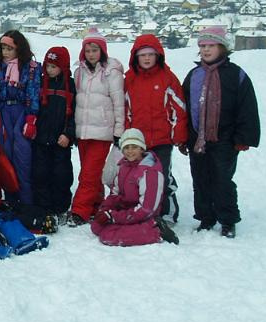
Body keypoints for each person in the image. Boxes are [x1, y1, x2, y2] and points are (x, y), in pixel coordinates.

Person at [180, 25, 260, 238]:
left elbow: (247, 107)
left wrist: (243, 138)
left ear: (222, 47)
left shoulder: (236, 75)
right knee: (200, 179)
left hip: (225, 139)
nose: (206, 50)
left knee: (222, 180)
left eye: (211, 45)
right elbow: (183, 107)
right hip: (197, 138)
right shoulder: (194, 75)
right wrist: (183, 137)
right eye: (203, 46)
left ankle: (228, 220)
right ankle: (206, 217)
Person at [124, 34, 187, 222]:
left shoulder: (168, 78)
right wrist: (126, 135)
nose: (147, 58)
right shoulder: (130, 79)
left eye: (150, 54)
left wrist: (178, 135)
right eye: (142, 55)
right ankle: (143, 211)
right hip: (138, 141)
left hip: (161, 139)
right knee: (138, 177)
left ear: (158, 55)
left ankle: (167, 214)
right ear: (136, 57)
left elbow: (179, 108)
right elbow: (125, 110)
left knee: (162, 176)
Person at [68, 26, 125, 226]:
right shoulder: (79, 72)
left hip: (102, 130)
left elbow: (119, 103)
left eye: (95, 50)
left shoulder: (112, 73)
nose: (91, 54)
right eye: (88, 50)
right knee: (91, 172)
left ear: (102, 51)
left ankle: (79, 211)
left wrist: (119, 130)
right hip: (83, 130)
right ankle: (96, 205)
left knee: (88, 174)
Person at [90, 129, 178, 247]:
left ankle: (157, 231)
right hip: (127, 211)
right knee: (97, 226)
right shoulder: (123, 166)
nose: (130, 151)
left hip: (144, 216)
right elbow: (115, 194)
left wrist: (113, 217)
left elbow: (147, 209)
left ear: (142, 148)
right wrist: (105, 210)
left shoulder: (149, 172)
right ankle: (128, 228)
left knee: (108, 236)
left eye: (134, 147)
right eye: (126, 147)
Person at [0, 29, 41, 206]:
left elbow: (33, 92)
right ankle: (11, 199)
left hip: (22, 112)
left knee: (23, 155)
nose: (6, 53)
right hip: (4, 112)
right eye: (3, 49)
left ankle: (26, 201)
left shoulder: (30, 68)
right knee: (6, 155)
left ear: (19, 49)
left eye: (10, 49)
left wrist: (31, 118)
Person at [31, 46, 76, 225]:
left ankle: (60, 208)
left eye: (53, 66)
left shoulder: (71, 85)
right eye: (47, 66)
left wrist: (68, 134)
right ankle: (44, 208)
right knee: (40, 174)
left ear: (63, 66)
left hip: (61, 140)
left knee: (61, 175)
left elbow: (75, 113)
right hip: (41, 139)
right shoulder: (41, 83)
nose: (49, 70)